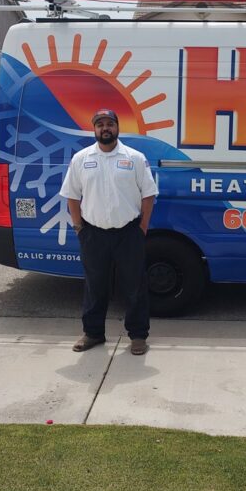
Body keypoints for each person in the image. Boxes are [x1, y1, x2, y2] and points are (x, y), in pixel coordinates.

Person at [59, 109, 158, 355]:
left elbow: (148, 194)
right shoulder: (81, 159)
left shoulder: (134, 158)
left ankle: (137, 336)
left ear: (117, 128)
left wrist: (142, 228)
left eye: (110, 124)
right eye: (100, 124)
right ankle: (92, 333)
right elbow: (72, 195)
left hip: (129, 233)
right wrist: (79, 227)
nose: (105, 128)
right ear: (94, 129)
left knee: (135, 286)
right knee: (95, 285)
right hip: (93, 234)